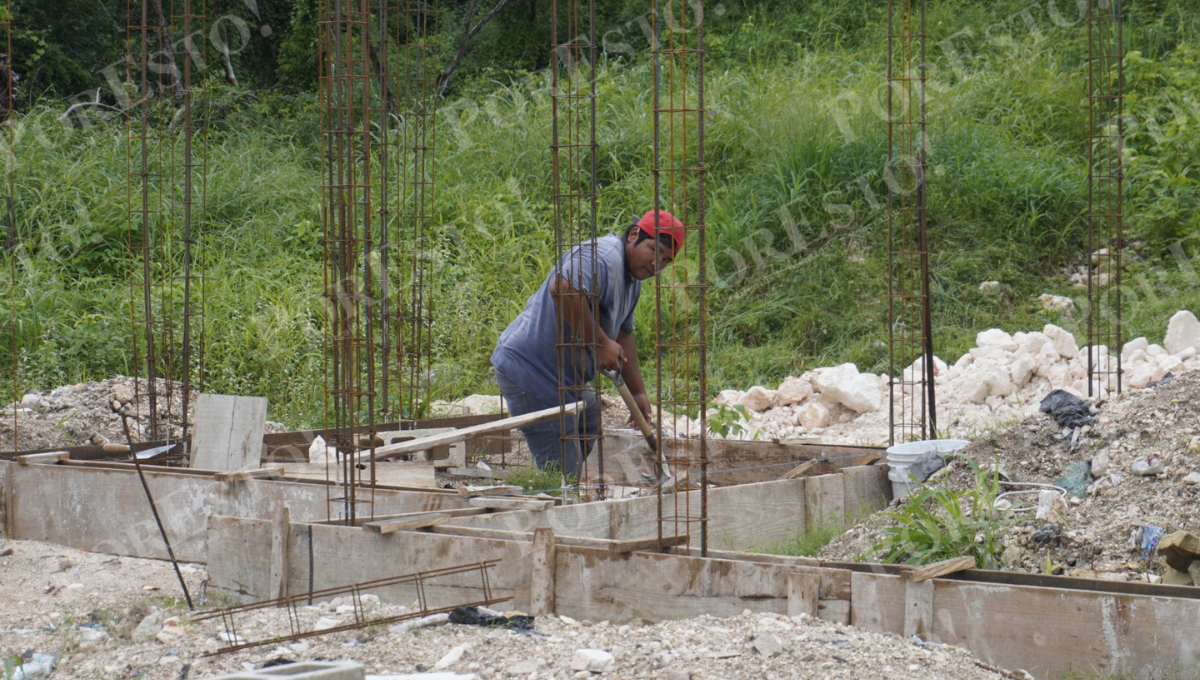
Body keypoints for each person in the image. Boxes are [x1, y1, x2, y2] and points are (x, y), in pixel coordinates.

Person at [491, 210, 684, 477]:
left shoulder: (632, 282)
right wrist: (600, 343)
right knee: (562, 470)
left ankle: (568, 482)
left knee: (589, 417)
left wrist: (638, 392)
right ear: (634, 235)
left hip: (565, 378)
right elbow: (562, 288)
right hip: (530, 370)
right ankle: (558, 490)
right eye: (654, 250)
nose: (656, 264)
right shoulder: (603, 257)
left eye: (665, 260)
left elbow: (623, 335)